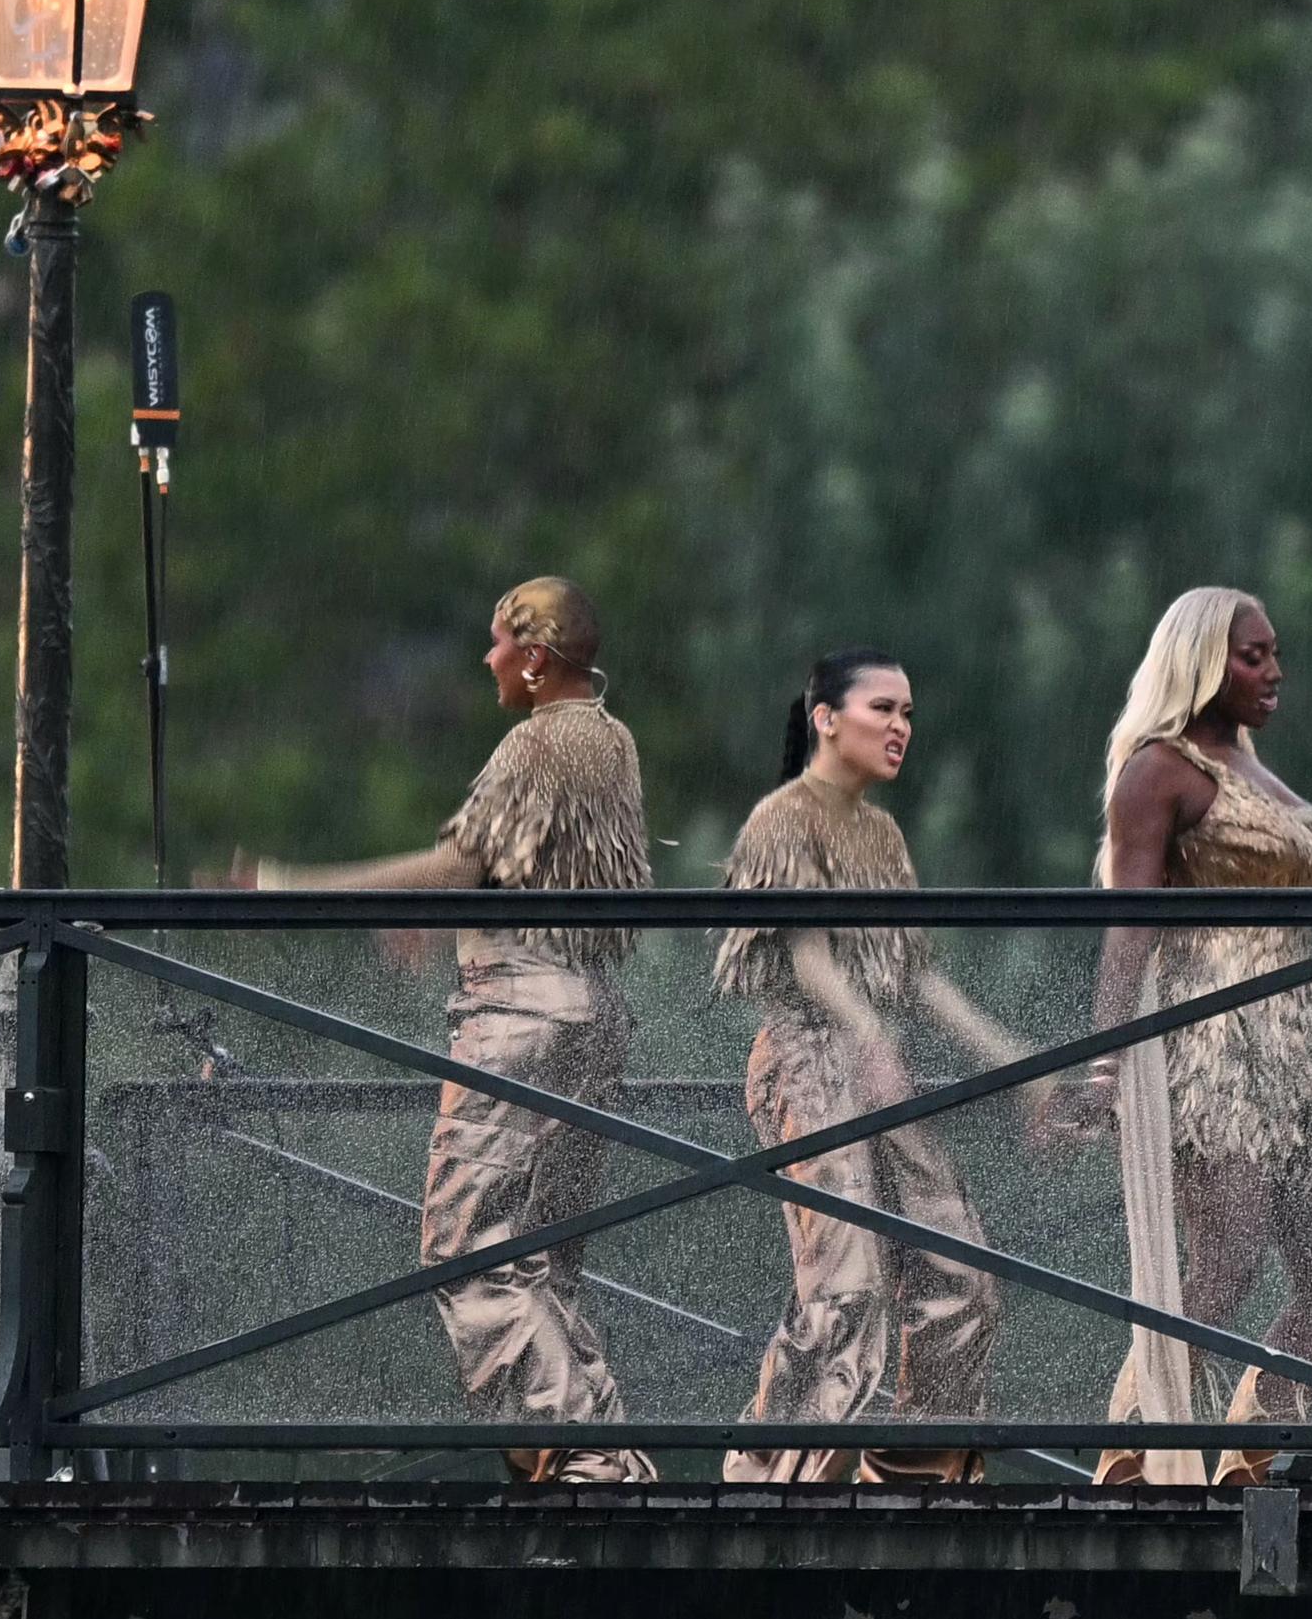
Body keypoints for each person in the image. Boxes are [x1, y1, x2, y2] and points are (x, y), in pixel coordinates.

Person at [238, 576, 653, 1485]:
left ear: (537, 656)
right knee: (542, 1264)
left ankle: (585, 1463)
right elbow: (526, 868)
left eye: (500, 643)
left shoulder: (538, 739)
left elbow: (463, 861)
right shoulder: (611, 740)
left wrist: (291, 885)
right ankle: (602, 1455)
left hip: (519, 1017)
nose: (489, 659)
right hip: (590, 1011)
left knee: (471, 1252)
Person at [713, 648, 1042, 1485]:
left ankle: (913, 1476)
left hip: (872, 1058)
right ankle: (767, 1483)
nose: (901, 727)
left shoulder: (880, 832)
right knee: (846, 1287)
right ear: (826, 716)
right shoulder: (785, 814)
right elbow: (806, 950)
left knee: (959, 1272)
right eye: (882, 709)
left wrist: (1016, 1056)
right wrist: (868, 1035)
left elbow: (915, 973)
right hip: (806, 1059)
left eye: (908, 713)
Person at [1063, 587, 1312, 1487]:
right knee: (1225, 1262)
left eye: (1274, 654)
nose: (1273, 672)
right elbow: (1129, 926)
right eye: (1251, 656)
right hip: (1209, 1048)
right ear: (1200, 660)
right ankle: (1129, 1453)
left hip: (1300, 1051)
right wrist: (1106, 1060)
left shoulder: (1258, 769)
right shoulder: (1161, 770)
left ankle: (1249, 1447)